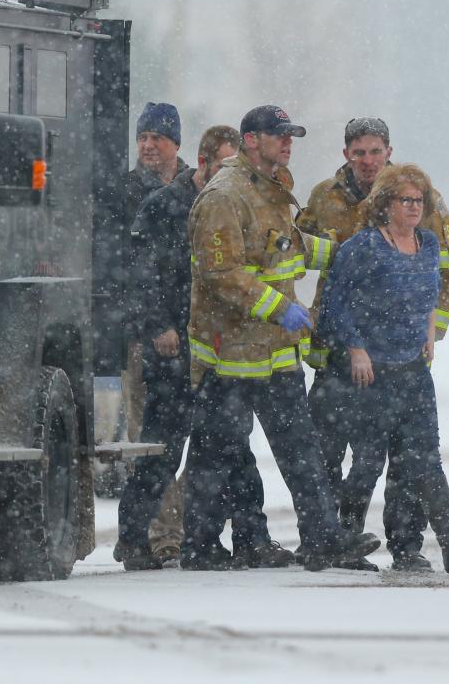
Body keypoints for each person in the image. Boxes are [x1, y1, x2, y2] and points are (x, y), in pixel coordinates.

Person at [182, 104, 380, 571]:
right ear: (251, 140)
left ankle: (323, 539)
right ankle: (201, 546)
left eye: (291, 135)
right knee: (218, 454)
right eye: (278, 135)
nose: (287, 143)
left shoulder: (270, 189)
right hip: (230, 356)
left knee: (301, 453)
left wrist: (342, 256)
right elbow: (221, 273)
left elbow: (287, 246)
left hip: (274, 354)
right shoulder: (224, 196)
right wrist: (281, 308)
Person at [114, 127, 297, 570]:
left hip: (219, 349)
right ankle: (133, 538)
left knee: (232, 448)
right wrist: (158, 325)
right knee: (163, 450)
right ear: (202, 163)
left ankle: (250, 537)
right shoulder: (163, 209)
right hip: (174, 350)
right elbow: (140, 276)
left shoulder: (236, 205)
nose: (231, 177)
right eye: (224, 166)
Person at [297, 117, 449, 572]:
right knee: (332, 451)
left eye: (375, 151)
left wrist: (429, 331)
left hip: (400, 358)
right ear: (346, 155)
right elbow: (293, 252)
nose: (367, 160)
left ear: (389, 151)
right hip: (340, 350)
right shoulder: (322, 198)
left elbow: (448, 276)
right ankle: (330, 539)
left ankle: (406, 544)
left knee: (403, 459)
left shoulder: (423, 203)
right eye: (358, 152)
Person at [320, 163, 449, 575]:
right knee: (368, 461)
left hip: (414, 370)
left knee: (425, 460)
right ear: (385, 204)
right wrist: (356, 349)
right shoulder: (363, 247)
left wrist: (429, 332)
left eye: (419, 201)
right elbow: (335, 304)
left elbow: (433, 293)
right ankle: (346, 540)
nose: (414, 208)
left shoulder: (429, 245)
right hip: (371, 373)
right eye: (405, 200)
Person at [119, 103, 190, 458]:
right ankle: (162, 515)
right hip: (143, 336)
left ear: (175, 143)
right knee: (149, 442)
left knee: (208, 438)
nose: (147, 145)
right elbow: (130, 270)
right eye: (143, 137)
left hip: (198, 335)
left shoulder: (196, 189)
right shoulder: (124, 191)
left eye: (157, 138)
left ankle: (189, 511)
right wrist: (156, 322)